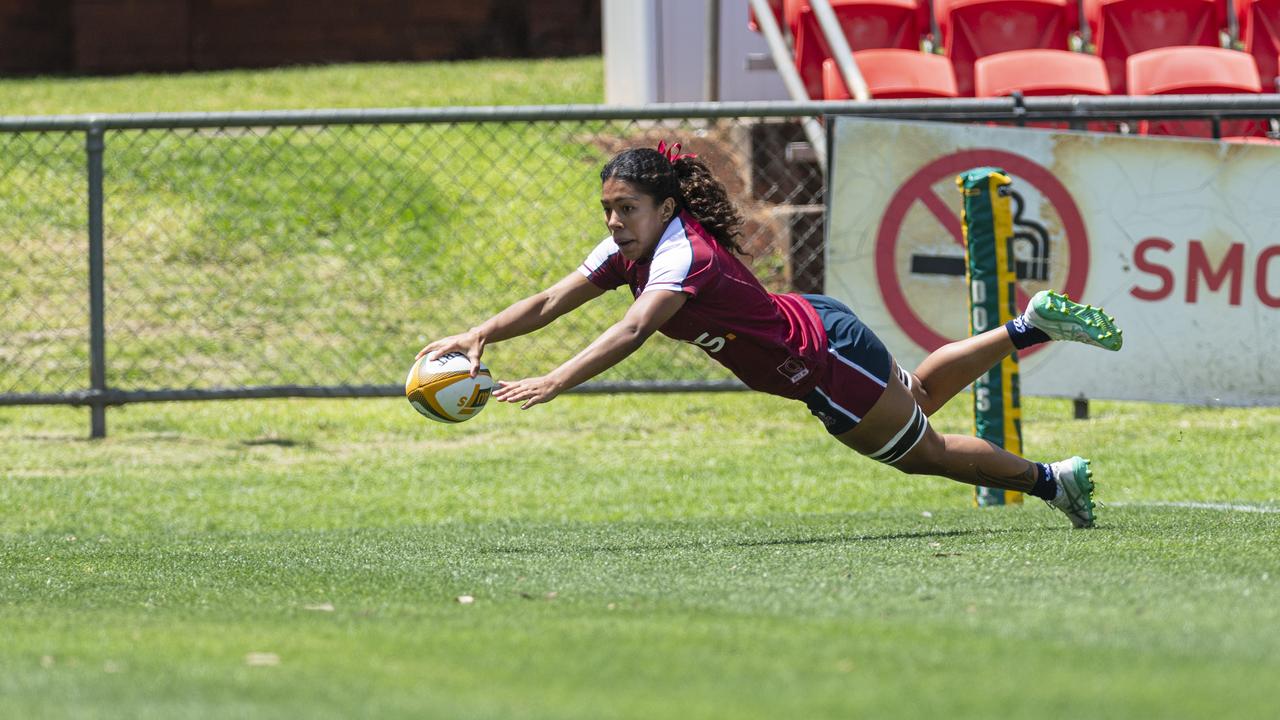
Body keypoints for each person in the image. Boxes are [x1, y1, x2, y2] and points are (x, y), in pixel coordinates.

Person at [418, 142, 1123, 528]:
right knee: (917, 395)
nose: (612, 221)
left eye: (625, 208)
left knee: (921, 452)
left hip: (819, 362)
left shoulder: (679, 256)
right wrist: (480, 333)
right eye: (606, 208)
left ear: (665, 206)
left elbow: (634, 329)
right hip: (824, 330)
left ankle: (1052, 481)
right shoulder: (634, 248)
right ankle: (1028, 326)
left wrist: (556, 380)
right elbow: (550, 298)